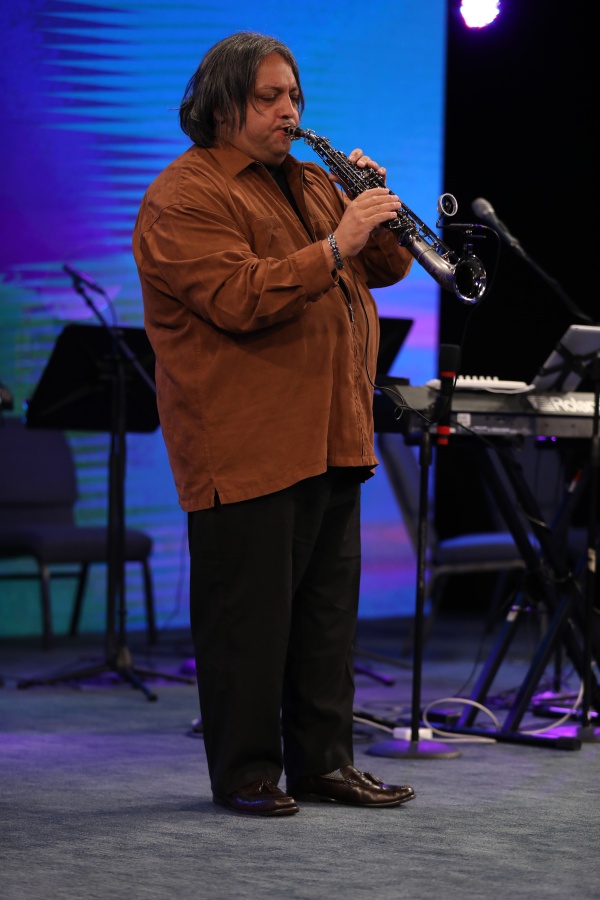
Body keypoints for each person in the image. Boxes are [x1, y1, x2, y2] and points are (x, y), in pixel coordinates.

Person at [132, 31, 415, 817]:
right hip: (247, 443)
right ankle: (247, 773)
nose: (288, 111)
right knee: (249, 626)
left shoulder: (311, 181)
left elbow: (383, 268)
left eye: (293, 96)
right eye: (269, 98)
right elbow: (238, 297)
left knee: (326, 621)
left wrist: (374, 211)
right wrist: (336, 243)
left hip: (332, 433)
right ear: (221, 105)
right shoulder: (184, 195)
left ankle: (325, 763)